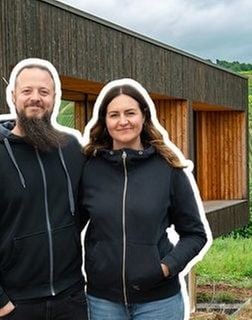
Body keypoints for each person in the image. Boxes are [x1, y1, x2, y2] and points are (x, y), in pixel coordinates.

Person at [80, 78, 211, 320]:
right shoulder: (89, 169)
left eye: (130, 113)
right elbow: (68, 226)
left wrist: (165, 268)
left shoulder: (168, 169)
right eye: (114, 115)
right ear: (104, 121)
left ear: (144, 116)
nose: (123, 121)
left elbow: (195, 234)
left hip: (159, 302)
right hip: (102, 302)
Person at [0, 58, 88, 320]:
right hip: (15, 305)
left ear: (54, 98)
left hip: (71, 299)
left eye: (44, 92)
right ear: (14, 96)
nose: (35, 98)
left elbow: (86, 208)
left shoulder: (72, 149)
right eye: (27, 91)